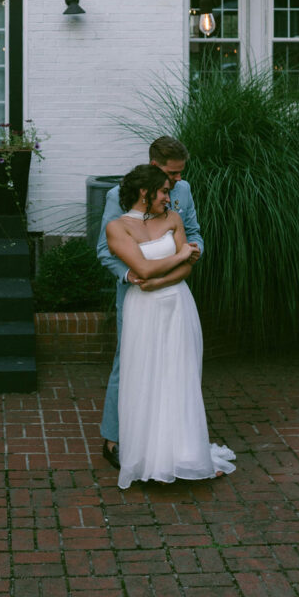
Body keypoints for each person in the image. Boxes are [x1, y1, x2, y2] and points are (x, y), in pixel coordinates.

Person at [106, 164, 235, 488]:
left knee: (180, 375)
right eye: (164, 191)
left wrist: (165, 273)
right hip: (143, 310)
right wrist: (181, 255)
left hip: (178, 303)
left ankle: (186, 455)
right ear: (144, 193)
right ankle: (149, 457)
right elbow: (143, 269)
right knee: (145, 377)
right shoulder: (117, 228)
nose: (169, 197)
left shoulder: (174, 219)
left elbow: (181, 272)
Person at [97, 136, 203, 469]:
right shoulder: (118, 197)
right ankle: (114, 438)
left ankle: (168, 436)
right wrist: (132, 278)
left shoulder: (182, 192)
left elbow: (193, 231)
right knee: (127, 361)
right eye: (172, 175)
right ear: (154, 169)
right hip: (135, 293)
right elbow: (105, 250)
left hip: (173, 291)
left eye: (180, 173)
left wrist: (193, 250)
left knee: (175, 362)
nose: (178, 181)